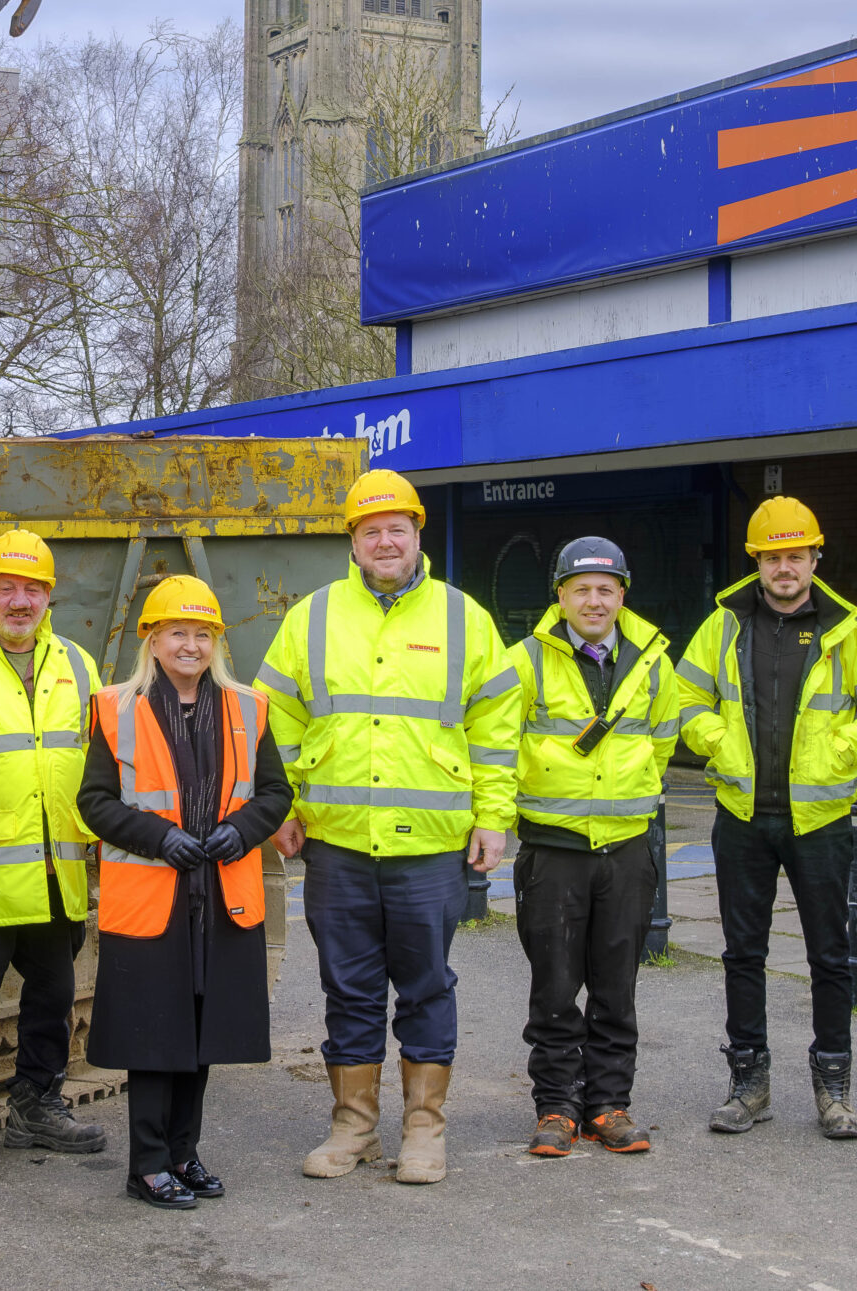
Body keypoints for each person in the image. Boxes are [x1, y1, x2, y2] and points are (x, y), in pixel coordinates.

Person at [256, 467, 522, 1186]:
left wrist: (493, 817)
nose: (384, 541)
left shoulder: (465, 618)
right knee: (348, 988)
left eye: (396, 529)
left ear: (416, 535)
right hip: (337, 842)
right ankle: (352, 1126)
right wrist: (281, 808)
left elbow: (497, 730)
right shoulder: (310, 617)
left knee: (428, 985)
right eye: (370, 530)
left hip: (430, 849)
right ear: (353, 540)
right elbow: (271, 720)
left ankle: (425, 1131)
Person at [674, 496, 857, 1141]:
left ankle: (833, 1087)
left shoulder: (846, 629)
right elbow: (684, 696)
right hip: (742, 814)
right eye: (773, 556)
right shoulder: (723, 625)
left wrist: (845, 749)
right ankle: (748, 1084)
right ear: (755, 560)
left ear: (814, 557)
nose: (785, 567)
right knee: (741, 953)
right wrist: (716, 740)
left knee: (831, 957)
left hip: (821, 819)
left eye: (796, 555)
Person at [78, 576, 292, 1209]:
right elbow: (94, 801)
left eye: (203, 635)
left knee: (201, 1033)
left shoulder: (247, 708)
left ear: (217, 642)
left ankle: (183, 1152)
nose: (191, 646)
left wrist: (240, 830)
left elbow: (276, 794)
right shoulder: (118, 707)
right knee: (155, 1035)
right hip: (154, 897)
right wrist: (158, 837)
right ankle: (147, 1163)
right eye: (177, 633)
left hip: (220, 896)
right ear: (152, 639)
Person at [0, 528, 107, 1172]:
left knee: (52, 999)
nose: (19, 600)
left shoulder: (78, 664)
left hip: (56, 872)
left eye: (32, 589)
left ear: (48, 597)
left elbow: (98, 769)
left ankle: (37, 1105)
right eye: (6, 587)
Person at [506, 536, 678, 1158]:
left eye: (606, 589)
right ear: (560, 596)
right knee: (553, 989)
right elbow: (500, 745)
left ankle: (608, 1104)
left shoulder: (653, 661)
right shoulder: (525, 660)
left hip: (627, 849)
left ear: (622, 595)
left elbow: (663, 741)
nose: (594, 600)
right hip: (552, 851)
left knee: (616, 987)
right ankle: (555, 1106)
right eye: (581, 589)